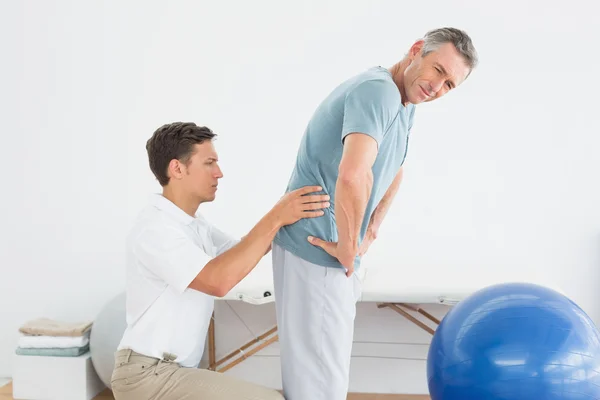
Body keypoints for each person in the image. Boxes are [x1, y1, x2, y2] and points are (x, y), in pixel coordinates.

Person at [271, 27, 479, 400]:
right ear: (416, 50)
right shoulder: (378, 90)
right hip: (319, 244)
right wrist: (349, 245)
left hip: (338, 248)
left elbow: (395, 165)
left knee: (323, 370)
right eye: (437, 70)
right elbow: (353, 175)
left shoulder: (405, 101)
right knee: (318, 378)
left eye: (449, 84)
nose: (437, 86)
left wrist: (373, 228)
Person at [110, 122, 330, 400]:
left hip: (170, 370)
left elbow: (243, 250)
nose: (219, 173)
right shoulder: (156, 228)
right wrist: (277, 215)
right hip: (148, 375)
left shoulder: (194, 225)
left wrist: (293, 218)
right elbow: (218, 281)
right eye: (209, 163)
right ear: (177, 169)